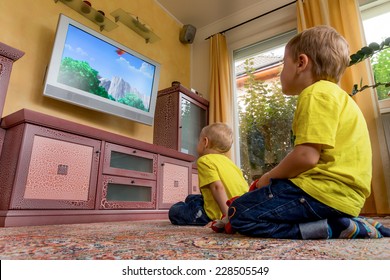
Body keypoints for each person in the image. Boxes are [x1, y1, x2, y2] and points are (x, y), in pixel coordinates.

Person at [224, 25, 390, 239]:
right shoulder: (340, 98)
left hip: (322, 193)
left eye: (283, 64)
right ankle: (344, 222)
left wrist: (266, 178)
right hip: (348, 199)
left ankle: (330, 228)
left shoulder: (314, 94)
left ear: (301, 63)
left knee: (239, 212)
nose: (280, 72)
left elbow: (306, 157)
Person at [168, 122, 248, 228]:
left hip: (221, 212)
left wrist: (228, 218)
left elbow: (217, 187)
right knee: (191, 198)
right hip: (240, 209)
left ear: (205, 142)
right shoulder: (231, 164)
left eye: (199, 141)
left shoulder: (205, 160)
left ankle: (217, 216)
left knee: (175, 211)